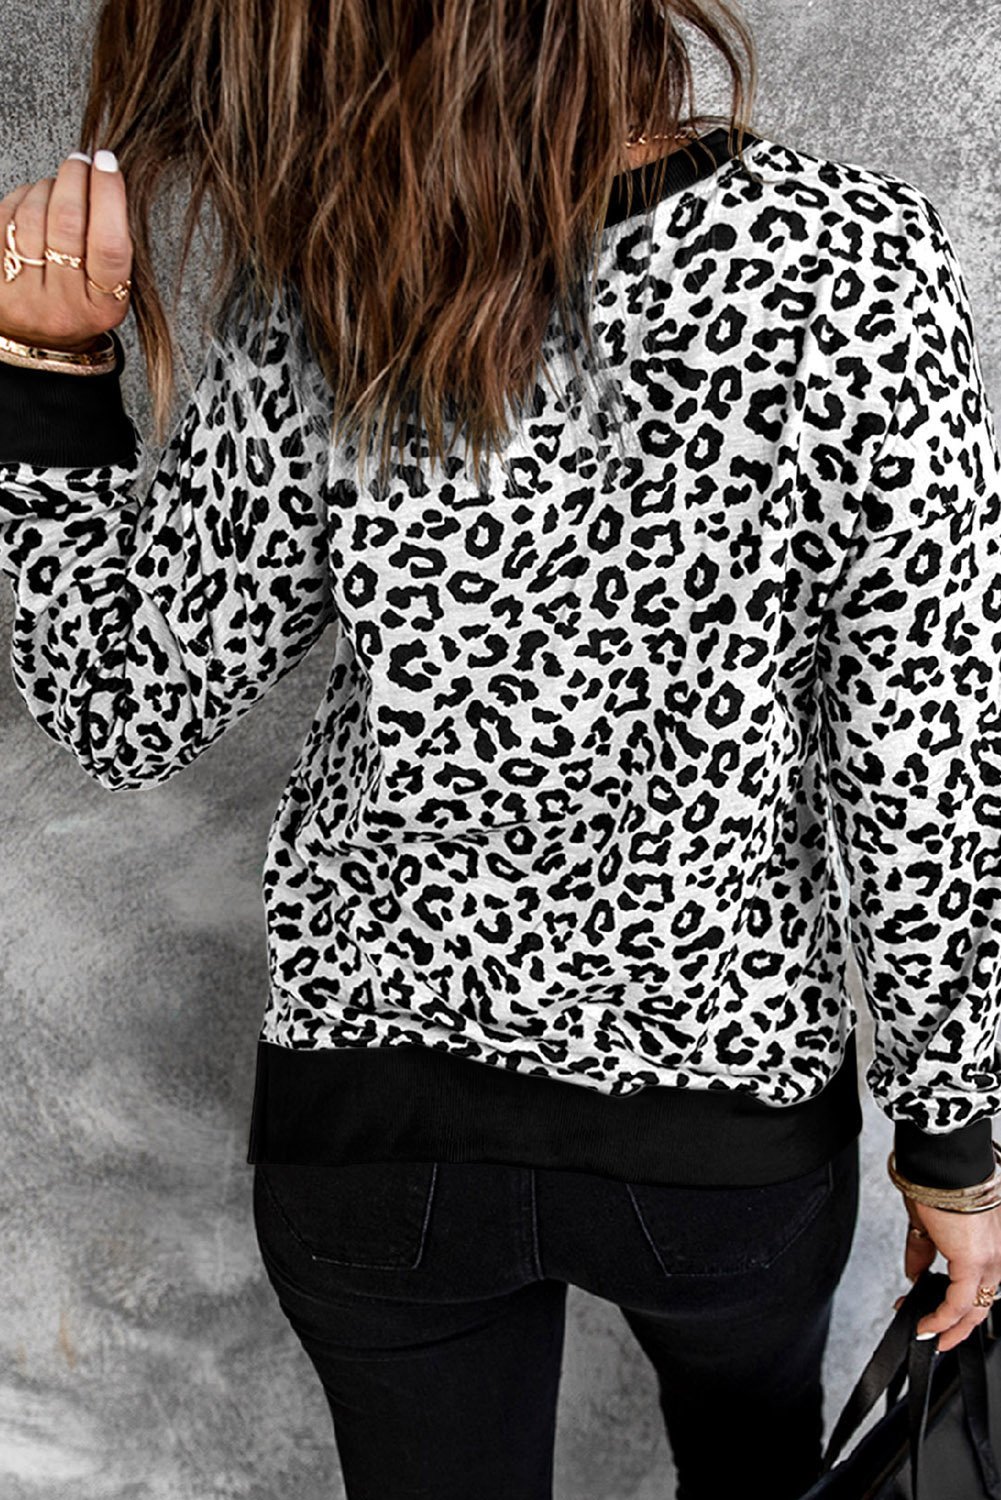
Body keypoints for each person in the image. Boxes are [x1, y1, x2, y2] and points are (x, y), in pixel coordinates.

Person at [1, 2, 1000, 1497]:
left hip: (379, 1129)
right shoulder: (858, 263)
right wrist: (953, 1149)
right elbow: (926, 761)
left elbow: (124, 701)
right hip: (724, 1132)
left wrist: (44, 368)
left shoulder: (331, 276)